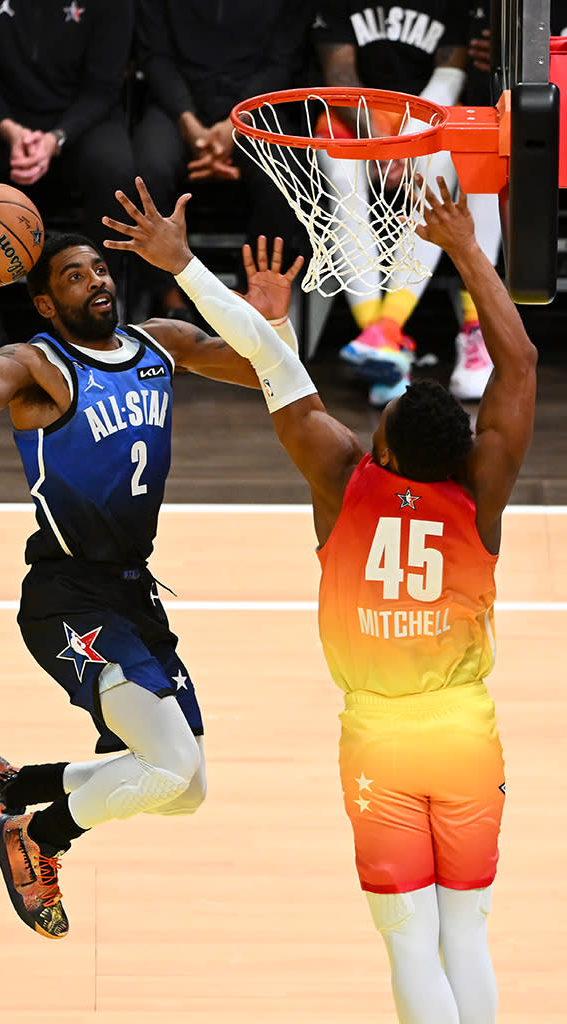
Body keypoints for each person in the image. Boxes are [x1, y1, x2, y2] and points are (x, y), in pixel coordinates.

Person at [103, 175, 536, 1022]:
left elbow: (274, 367)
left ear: (378, 444)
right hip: (463, 733)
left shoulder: (342, 479)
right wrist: (465, 251)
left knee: (408, 941)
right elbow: (517, 361)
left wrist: (192, 269)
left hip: (378, 735)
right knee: (464, 937)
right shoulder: (481, 494)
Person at [0, 177, 303, 940]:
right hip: (69, 596)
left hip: (133, 594)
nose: (96, 279)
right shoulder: (40, 365)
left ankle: (9, 785)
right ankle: (35, 837)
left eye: (99, 268)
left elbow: (262, 370)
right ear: (44, 303)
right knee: (165, 764)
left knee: (186, 786)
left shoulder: (157, 343)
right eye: (74, 275)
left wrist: (267, 322)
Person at [311, 1, 500, 406]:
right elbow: (339, 75)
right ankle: (381, 342)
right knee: (343, 181)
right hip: (356, 116)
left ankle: (389, 333)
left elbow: (450, 75)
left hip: (429, 119)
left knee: (444, 170)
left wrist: (411, 141)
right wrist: (379, 143)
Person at [0, 0, 137, 354]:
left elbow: (103, 87)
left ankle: (99, 315)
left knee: (114, 167)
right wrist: (12, 132)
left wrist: (56, 138)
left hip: (78, 118)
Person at [132, 0, 312, 318]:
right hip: (177, 106)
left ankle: (254, 297)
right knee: (148, 169)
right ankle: (168, 297)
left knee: (283, 174)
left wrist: (236, 122)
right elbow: (155, 57)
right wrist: (188, 121)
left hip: (257, 104)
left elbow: (284, 61)